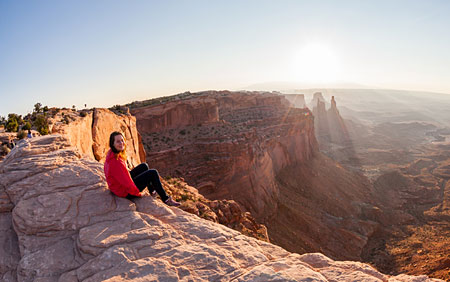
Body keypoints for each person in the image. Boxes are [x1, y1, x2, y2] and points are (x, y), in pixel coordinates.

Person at [103, 131, 180, 206]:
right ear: (112, 144)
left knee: (144, 166)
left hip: (118, 186)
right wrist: (138, 194)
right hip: (124, 192)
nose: (121, 143)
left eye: (122, 140)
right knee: (153, 173)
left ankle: (152, 191)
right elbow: (127, 183)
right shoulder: (116, 162)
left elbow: (123, 176)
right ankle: (166, 199)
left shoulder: (112, 154)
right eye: (118, 141)